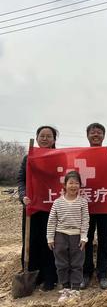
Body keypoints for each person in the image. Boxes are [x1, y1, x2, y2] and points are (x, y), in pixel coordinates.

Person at [17, 125, 59, 291]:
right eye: (42, 136)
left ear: (54, 140)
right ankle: (32, 276)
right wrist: (23, 196)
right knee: (31, 241)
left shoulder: (58, 157)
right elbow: (21, 180)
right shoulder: (29, 158)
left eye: (49, 136)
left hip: (51, 207)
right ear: (37, 137)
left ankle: (50, 278)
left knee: (50, 242)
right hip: (31, 207)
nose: (45, 139)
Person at [81, 122, 107, 290]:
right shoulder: (82, 154)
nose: (96, 135)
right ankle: (85, 272)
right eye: (92, 132)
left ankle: (103, 273)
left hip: (106, 202)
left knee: (105, 239)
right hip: (86, 204)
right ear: (87, 135)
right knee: (85, 239)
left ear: (103, 136)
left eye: (99, 132)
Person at [47, 170, 89, 302]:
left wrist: (84, 237)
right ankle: (65, 288)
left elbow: (85, 220)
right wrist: (50, 237)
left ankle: (75, 289)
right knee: (61, 263)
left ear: (80, 186)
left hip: (76, 236)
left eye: (76, 183)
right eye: (70, 183)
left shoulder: (83, 202)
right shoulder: (58, 202)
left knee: (77, 263)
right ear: (64, 185)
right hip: (60, 235)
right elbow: (52, 220)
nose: (73, 186)